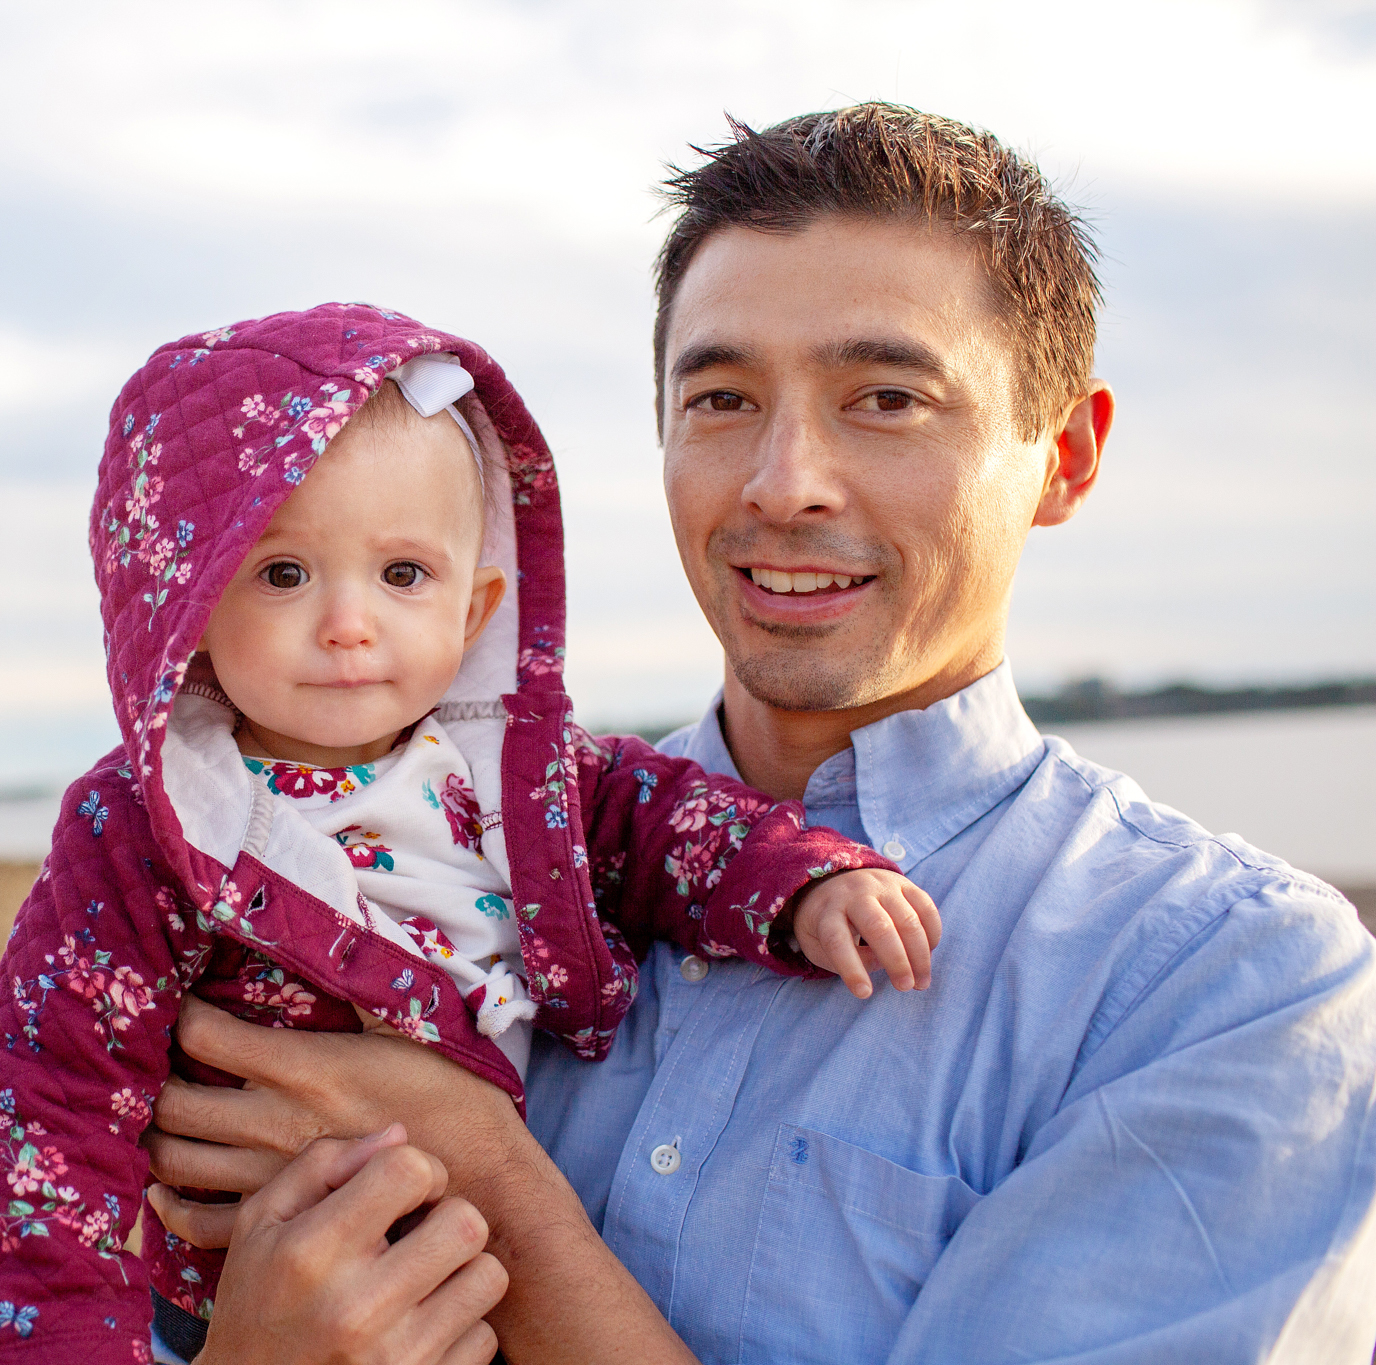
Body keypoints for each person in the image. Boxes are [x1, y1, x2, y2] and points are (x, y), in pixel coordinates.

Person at [140, 105, 1376, 1363]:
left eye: (884, 397)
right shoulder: (405, 842)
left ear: (1060, 454)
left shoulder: (1231, 988)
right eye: (722, 398)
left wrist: (481, 1178)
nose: (781, 481)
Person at [0, 302, 945, 1364]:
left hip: (492, 1292)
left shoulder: (522, 776)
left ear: (472, 614)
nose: (347, 621)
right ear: (183, 606)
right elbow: (50, 1117)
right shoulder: (153, 824)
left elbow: (676, 826)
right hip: (247, 1307)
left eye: (402, 575)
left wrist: (804, 883)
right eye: (282, 574)